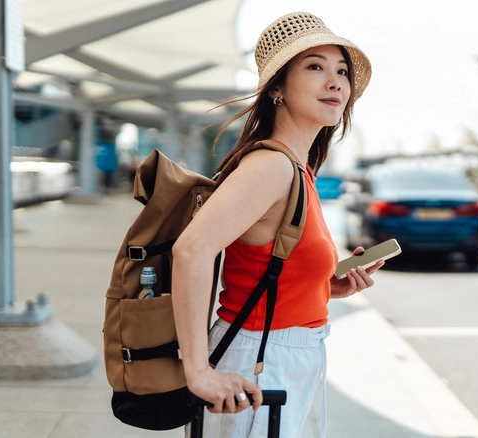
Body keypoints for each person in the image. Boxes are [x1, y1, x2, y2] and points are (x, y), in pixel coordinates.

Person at [171, 11, 379, 438]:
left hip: (285, 355)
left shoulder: (299, 168)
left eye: (342, 71)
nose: (336, 82)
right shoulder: (271, 166)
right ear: (277, 88)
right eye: (315, 67)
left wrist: (324, 286)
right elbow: (191, 250)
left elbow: (264, 266)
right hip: (259, 360)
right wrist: (197, 370)